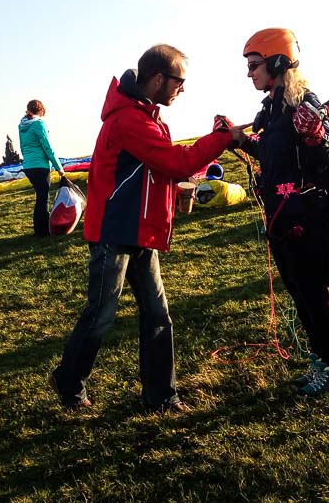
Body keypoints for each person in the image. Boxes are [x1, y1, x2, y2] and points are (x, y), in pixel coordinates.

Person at [50, 44, 236, 412]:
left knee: (157, 314)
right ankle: (68, 380)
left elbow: (156, 170)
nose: (182, 89)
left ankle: (161, 396)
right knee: (101, 315)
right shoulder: (129, 121)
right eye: (179, 81)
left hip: (139, 231)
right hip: (114, 233)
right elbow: (175, 162)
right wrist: (222, 138)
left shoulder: (145, 117)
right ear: (158, 79)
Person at [238, 28, 329, 396]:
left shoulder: (305, 104)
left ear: (276, 63)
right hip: (281, 217)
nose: (249, 73)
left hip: (307, 219)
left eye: (254, 65)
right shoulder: (273, 108)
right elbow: (274, 157)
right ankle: (320, 360)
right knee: (299, 292)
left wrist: (317, 138)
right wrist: (242, 141)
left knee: (313, 294)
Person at [18, 100, 71, 237]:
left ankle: (39, 229)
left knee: (40, 197)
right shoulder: (38, 124)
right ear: (41, 111)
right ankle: (43, 231)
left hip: (28, 166)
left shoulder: (22, 126)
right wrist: (59, 167)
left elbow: (23, 147)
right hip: (40, 166)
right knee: (43, 198)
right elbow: (47, 147)